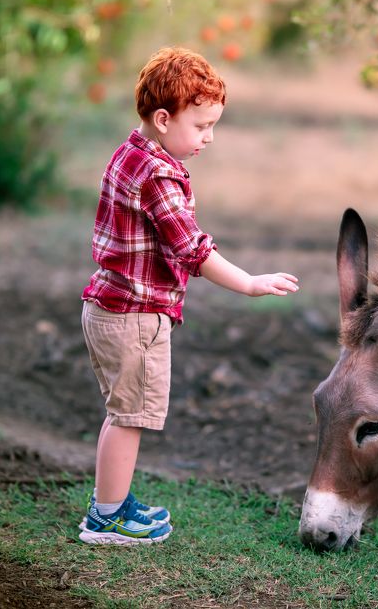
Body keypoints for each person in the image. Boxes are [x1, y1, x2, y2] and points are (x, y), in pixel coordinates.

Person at [78, 47, 299, 545]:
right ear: (163, 118)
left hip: (109, 305)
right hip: (134, 315)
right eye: (201, 126)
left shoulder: (130, 152)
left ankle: (112, 500)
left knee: (123, 413)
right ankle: (106, 518)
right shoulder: (158, 173)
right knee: (129, 416)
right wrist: (248, 282)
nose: (209, 137)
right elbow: (191, 248)